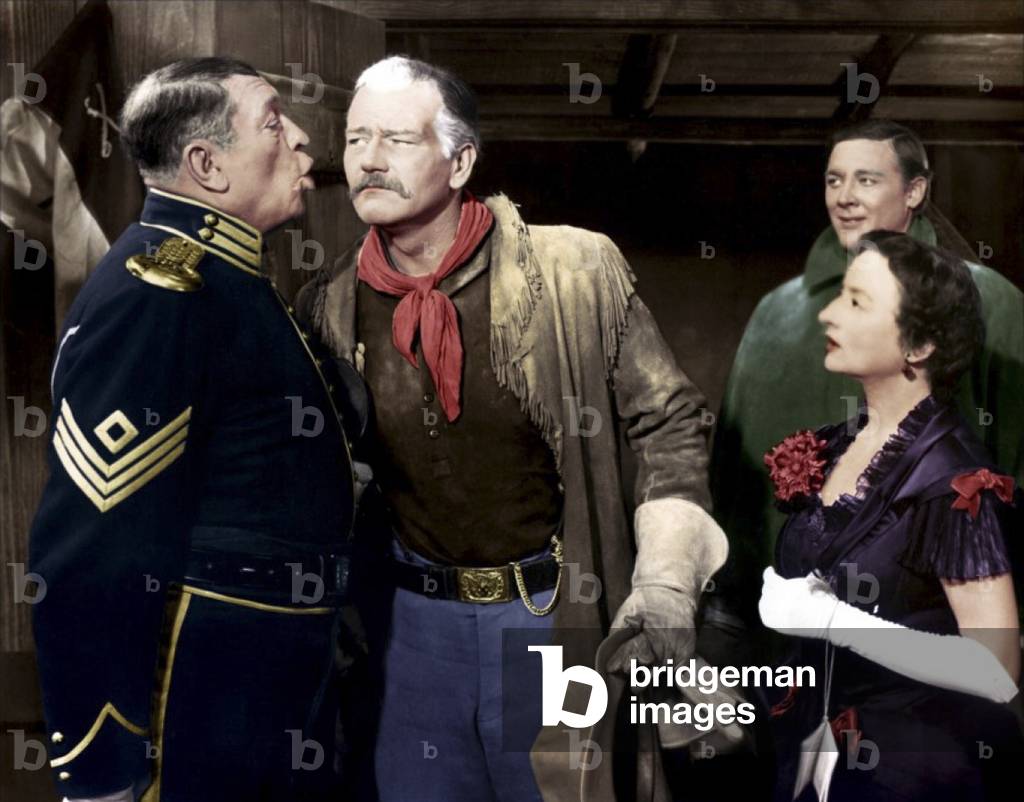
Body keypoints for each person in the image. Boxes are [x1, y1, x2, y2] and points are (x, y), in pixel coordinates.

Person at [295, 56, 728, 802]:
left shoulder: (573, 271)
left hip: (550, 616)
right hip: (410, 630)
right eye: (357, 138)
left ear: (461, 161)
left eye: (397, 139)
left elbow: (669, 420)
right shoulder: (329, 303)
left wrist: (665, 581)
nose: (369, 158)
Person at [28, 58, 363, 802]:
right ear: (207, 166)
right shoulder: (160, 289)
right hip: (203, 696)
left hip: (274, 679)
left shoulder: (229, 278)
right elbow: (93, 545)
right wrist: (101, 770)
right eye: (273, 122)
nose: (302, 140)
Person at [710, 120, 1024, 628]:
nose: (845, 197)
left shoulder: (992, 303)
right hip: (780, 623)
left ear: (915, 191)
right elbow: (731, 475)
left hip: (934, 622)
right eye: (834, 180)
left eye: (867, 180)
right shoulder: (777, 313)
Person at [758, 231, 1021, 801]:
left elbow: (996, 669)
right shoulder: (840, 446)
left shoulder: (952, 480)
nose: (828, 312)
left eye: (857, 302)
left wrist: (832, 619)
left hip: (913, 771)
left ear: (919, 344)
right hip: (818, 755)